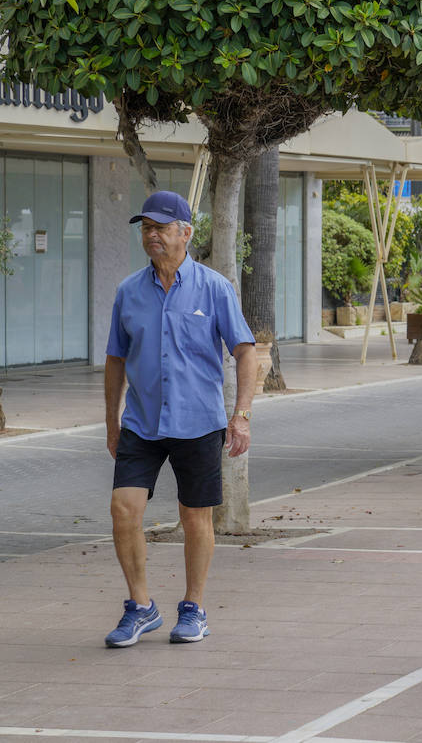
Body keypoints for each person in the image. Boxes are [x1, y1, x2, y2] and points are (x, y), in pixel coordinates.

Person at [103, 191, 256, 647]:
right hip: (142, 424)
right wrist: (112, 422)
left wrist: (241, 415)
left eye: (161, 227)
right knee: (123, 510)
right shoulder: (128, 291)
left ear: (186, 233)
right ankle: (140, 607)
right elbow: (115, 359)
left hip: (198, 423)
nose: (151, 235)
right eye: (145, 228)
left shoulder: (214, 288)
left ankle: (193, 607)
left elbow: (245, 352)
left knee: (196, 518)